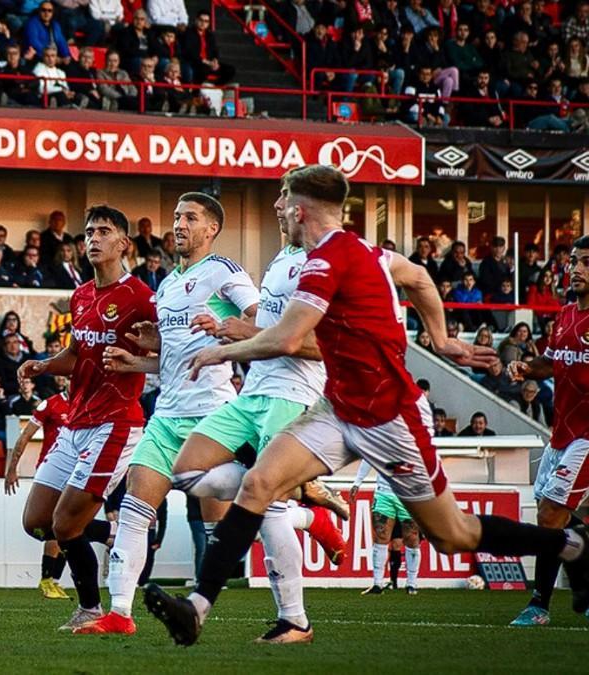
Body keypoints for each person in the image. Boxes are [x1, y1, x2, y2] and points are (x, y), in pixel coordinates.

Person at [142, 164, 587, 647]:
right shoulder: (364, 251)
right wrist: (441, 339)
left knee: (452, 534)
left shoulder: (325, 260)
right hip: (338, 408)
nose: (278, 211)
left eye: (283, 202)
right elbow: (416, 277)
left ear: (298, 209)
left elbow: (290, 338)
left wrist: (222, 350)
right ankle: (198, 609)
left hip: (390, 417)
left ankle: (570, 545)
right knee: (258, 483)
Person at [74, 194, 263, 637]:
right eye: (177, 217)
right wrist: (139, 357)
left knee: (252, 508)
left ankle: (303, 514)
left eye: (190, 218)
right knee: (136, 509)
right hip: (166, 415)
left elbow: (264, 327)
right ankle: (120, 613)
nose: (179, 225)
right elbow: (174, 358)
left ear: (211, 229)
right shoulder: (167, 285)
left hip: (212, 415)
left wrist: (228, 330)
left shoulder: (224, 273)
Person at [16, 205, 156, 632]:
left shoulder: (141, 297)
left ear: (123, 244)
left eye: (103, 231)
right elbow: (77, 356)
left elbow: (166, 354)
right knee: (37, 522)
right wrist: (44, 365)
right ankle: (111, 533)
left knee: (63, 522)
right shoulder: (80, 296)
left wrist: (139, 359)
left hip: (115, 424)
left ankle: (92, 607)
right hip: (75, 423)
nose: (92, 239)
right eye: (89, 232)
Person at [506, 234, 589, 625]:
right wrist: (525, 366)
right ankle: (583, 589)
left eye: (586, 262)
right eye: (574, 261)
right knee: (552, 517)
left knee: (551, 513)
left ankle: (538, 605)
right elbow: (552, 363)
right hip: (561, 434)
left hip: (587, 437)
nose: (576, 269)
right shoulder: (567, 314)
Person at [4, 387, 71, 600]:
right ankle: (47, 580)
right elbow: (25, 436)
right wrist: (12, 468)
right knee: (57, 526)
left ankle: (55, 581)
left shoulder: (88, 404)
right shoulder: (50, 404)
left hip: (77, 471)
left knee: (70, 529)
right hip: (52, 471)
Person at [351, 460, 422, 595]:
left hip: (409, 494)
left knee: (411, 537)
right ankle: (377, 583)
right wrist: (357, 482)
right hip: (384, 493)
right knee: (381, 536)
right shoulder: (379, 440)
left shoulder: (413, 440)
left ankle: (411, 583)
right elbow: (368, 457)